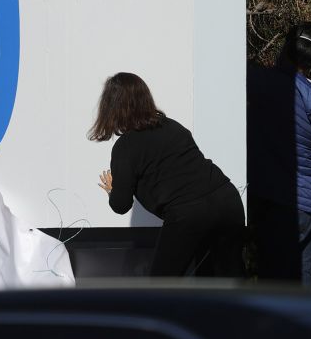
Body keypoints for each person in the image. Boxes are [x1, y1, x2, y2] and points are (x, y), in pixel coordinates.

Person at [90, 72, 244, 277]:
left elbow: (120, 205)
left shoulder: (125, 147)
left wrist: (112, 190)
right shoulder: (173, 127)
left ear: (113, 107)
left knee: (163, 283)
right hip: (227, 200)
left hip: (188, 214)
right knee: (224, 280)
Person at [247, 23, 311, 284]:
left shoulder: (269, 83)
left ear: (286, 47)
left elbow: (227, 71)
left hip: (281, 200)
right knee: (302, 280)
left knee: (275, 280)